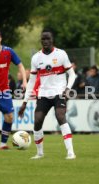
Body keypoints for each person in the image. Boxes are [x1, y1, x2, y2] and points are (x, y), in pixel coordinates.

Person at [18, 29, 76, 159]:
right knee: (37, 121)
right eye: (43, 39)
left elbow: (72, 74)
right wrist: (24, 102)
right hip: (43, 94)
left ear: (52, 40)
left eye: (48, 39)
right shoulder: (36, 58)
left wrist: (67, 89)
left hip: (59, 92)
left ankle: (71, 152)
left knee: (60, 116)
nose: (45, 41)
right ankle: (39, 153)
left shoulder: (61, 54)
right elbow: (32, 82)